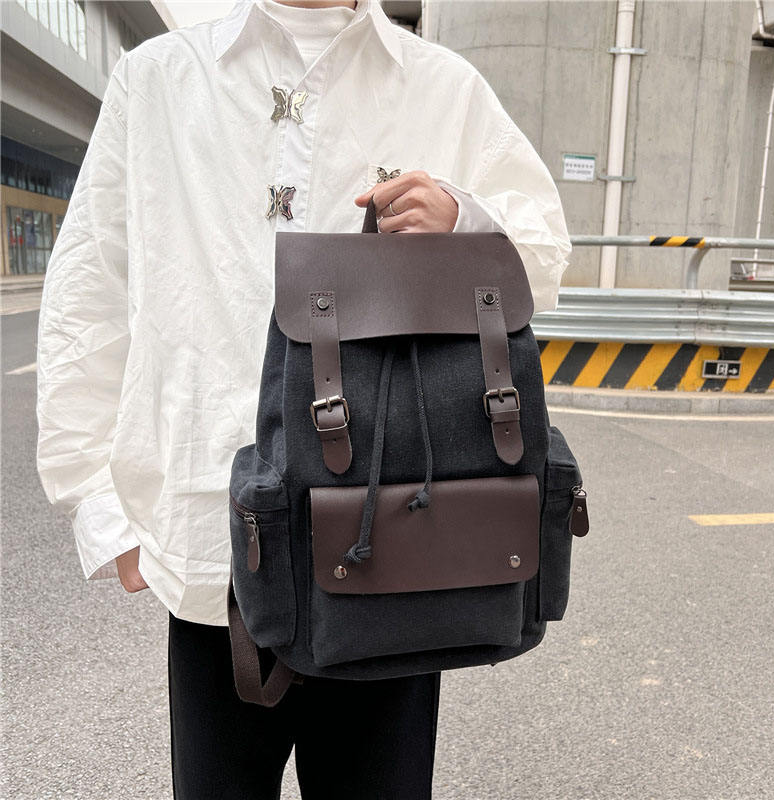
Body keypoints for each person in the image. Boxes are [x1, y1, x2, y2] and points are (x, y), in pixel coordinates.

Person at [35, 0, 572, 797]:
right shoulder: (160, 81)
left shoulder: (440, 85)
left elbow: (545, 255)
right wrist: (98, 505)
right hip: (216, 548)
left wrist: (468, 221)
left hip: (394, 546)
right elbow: (90, 292)